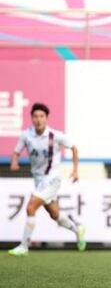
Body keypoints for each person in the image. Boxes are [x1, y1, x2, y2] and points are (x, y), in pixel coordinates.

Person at [8, 102, 86, 256]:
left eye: (41, 116)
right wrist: (14, 162)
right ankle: (78, 229)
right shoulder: (26, 135)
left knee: (31, 207)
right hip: (38, 180)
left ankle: (24, 246)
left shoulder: (55, 135)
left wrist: (75, 170)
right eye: (35, 116)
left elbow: (74, 148)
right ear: (31, 118)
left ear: (46, 118)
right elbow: (16, 151)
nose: (38, 120)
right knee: (55, 215)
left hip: (52, 178)